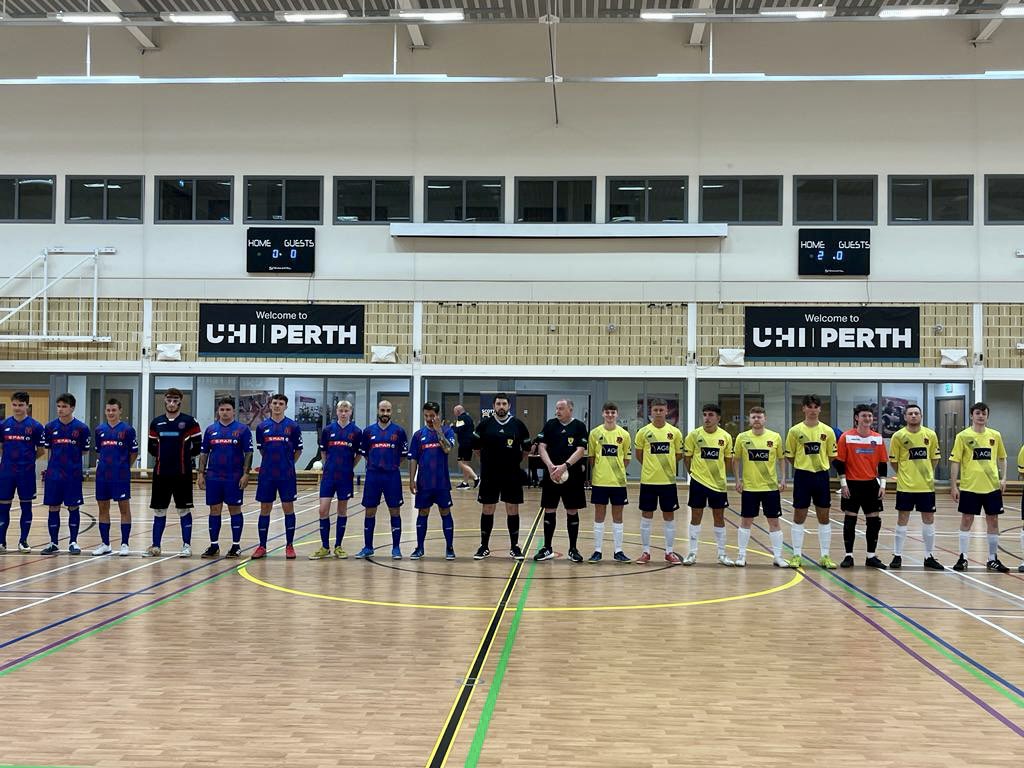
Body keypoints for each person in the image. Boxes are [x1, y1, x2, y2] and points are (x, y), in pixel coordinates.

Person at [949, 401, 1009, 573]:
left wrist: (1003, 478)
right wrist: (954, 485)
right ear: (971, 415)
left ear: (987, 416)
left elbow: (1002, 458)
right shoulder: (963, 436)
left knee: (993, 521)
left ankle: (992, 558)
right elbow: (955, 461)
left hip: (991, 487)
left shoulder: (995, 435)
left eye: (984, 413)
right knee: (967, 520)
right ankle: (963, 557)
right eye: (977, 413)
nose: (981, 416)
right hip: (969, 487)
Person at [472, 393, 531, 560]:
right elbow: (476, 448)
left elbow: (526, 449)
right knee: (488, 508)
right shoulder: (485, 425)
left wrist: (514, 461)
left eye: (504, 404)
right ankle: (484, 546)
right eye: (498, 404)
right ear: (493, 406)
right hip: (490, 474)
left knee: (512, 508)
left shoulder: (518, 425)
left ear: (509, 406)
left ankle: (515, 546)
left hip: (512, 474)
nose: (501, 407)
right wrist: (487, 460)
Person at [146, 387, 202, 557]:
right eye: (169, 400)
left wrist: (183, 458)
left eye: (175, 400)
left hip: (182, 474)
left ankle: (186, 546)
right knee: (159, 510)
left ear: (180, 401)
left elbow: (197, 447)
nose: (172, 403)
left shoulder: (190, 422)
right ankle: (156, 546)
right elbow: (152, 448)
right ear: (164, 400)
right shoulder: (156, 422)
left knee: (183, 510)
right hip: (161, 474)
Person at [784, 394, 838, 569]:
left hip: (821, 477)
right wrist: (803, 465)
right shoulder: (795, 431)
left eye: (816, 407)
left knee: (824, 516)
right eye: (809, 406)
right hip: (802, 476)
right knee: (799, 515)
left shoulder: (828, 431)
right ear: (803, 409)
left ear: (820, 409)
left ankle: (825, 556)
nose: (813, 410)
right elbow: (790, 456)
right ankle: (797, 555)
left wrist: (821, 467)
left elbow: (831, 456)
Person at [732, 406, 790, 568]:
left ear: (765, 419)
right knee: (746, 521)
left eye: (759, 417)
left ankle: (778, 557)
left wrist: (783, 479)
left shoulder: (775, 437)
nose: (756, 420)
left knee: (774, 522)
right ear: (749, 420)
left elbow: (781, 459)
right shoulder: (742, 438)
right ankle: (741, 555)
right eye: (753, 417)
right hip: (749, 488)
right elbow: (735, 460)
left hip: (770, 488)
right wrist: (737, 480)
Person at [889, 404, 944, 570]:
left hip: (926, 486)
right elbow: (894, 461)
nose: (913, 416)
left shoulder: (930, 435)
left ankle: (929, 556)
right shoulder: (898, 436)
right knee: (902, 519)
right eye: (910, 414)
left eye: (916, 413)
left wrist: (925, 473)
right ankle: (897, 556)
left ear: (921, 416)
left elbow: (934, 459)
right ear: (905, 417)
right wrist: (905, 474)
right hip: (906, 486)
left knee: (928, 519)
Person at [197, 397, 252, 559]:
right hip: (214, 476)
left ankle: (236, 545)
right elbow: (204, 453)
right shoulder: (210, 430)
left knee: (234, 509)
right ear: (218, 412)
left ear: (234, 411)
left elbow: (248, 453)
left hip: (234, 477)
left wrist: (246, 473)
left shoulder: (242, 430)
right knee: (214, 510)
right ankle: (214, 545)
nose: (225, 412)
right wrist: (201, 474)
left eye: (228, 409)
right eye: (222, 410)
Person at [836, 404, 889, 569]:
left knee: (873, 520)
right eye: (864, 416)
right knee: (850, 519)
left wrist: (883, 485)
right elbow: (840, 463)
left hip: (871, 485)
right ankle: (848, 556)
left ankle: (871, 556)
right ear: (856, 418)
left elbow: (882, 464)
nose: (867, 419)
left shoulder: (878, 438)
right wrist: (843, 484)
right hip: (852, 484)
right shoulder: (846, 437)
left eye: (870, 416)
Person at [535, 398, 588, 562]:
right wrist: (551, 466)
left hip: (572, 476)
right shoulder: (550, 425)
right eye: (557, 408)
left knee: (572, 510)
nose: (557, 411)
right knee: (549, 509)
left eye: (561, 408)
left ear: (570, 409)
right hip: (552, 475)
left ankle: (573, 549)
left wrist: (564, 466)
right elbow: (541, 447)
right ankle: (547, 548)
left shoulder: (579, 426)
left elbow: (581, 450)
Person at [309, 400, 362, 560]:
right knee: (323, 510)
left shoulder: (356, 432)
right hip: (329, 476)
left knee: (342, 510)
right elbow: (324, 452)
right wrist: (328, 466)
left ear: (351, 412)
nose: (344, 413)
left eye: (346, 410)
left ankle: (338, 546)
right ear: (337, 412)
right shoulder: (328, 430)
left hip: (345, 476)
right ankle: (325, 547)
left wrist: (349, 467)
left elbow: (358, 454)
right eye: (341, 410)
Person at [252, 393, 303, 559]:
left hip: (286, 474)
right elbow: (262, 449)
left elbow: (298, 450)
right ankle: (262, 546)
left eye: (281, 403)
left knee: (288, 508)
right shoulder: (262, 427)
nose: (277, 406)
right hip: (267, 474)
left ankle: (289, 545)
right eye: (275, 403)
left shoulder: (293, 427)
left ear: (285, 406)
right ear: (270, 405)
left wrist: (287, 463)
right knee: (265, 509)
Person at [683, 403, 734, 566]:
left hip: (718, 485)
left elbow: (727, 461)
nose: (707, 418)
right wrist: (694, 474)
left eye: (711, 415)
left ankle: (721, 554)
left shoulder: (725, 437)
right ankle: (692, 553)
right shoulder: (694, 435)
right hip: (698, 483)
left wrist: (719, 476)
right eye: (705, 414)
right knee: (696, 516)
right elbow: (687, 458)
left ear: (718, 418)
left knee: (719, 517)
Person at [355, 400, 408, 560]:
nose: (385, 413)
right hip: (373, 475)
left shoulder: (399, 431)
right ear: (378, 410)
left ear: (391, 412)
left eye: (388, 411)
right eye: (382, 410)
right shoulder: (368, 431)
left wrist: (391, 465)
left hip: (392, 476)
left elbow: (403, 455)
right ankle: (368, 547)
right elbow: (364, 453)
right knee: (370, 511)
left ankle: (396, 548)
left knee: (395, 510)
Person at [634, 398, 684, 565]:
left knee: (669, 516)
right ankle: (646, 551)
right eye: (655, 410)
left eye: (661, 410)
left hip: (668, 482)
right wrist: (651, 467)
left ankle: (669, 552)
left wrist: (666, 467)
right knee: (646, 516)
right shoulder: (643, 432)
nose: (658, 413)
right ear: (651, 411)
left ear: (667, 411)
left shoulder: (674, 432)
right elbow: (639, 455)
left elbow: (678, 454)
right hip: (648, 481)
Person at [40, 393, 91, 555]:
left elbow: (84, 451)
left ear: (72, 408)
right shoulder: (49, 427)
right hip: (54, 474)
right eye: (59, 406)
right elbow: (48, 449)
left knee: (73, 506)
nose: (60, 410)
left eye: (64, 406)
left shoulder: (82, 428)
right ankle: (53, 543)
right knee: (53, 507)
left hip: (72, 475)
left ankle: (73, 542)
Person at [409, 402, 456, 560]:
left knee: (445, 511)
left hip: (441, 482)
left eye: (432, 416)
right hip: (424, 482)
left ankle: (449, 548)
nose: (429, 419)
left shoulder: (448, 431)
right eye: (426, 416)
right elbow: (413, 458)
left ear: (438, 415)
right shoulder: (418, 435)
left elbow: (447, 449)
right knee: (423, 512)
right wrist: (412, 479)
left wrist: (438, 431)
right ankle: (420, 547)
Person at [92, 398, 139, 556]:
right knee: (103, 508)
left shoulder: (128, 430)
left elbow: (134, 453)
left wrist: (124, 467)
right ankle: (105, 544)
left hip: (120, 476)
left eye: (114, 410)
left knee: (124, 509)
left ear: (120, 411)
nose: (111, 413)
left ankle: (124, 543)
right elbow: (99, 451)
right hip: (103, 475)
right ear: (105, 411)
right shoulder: (100, 429)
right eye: (108, 410)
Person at [0, 391, 45, 554]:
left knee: (26, 507)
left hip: (26, 474)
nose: (17, 408)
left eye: (21, 405)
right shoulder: (3, 425)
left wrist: (26, 461)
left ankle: (23, 541)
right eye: (14, 405)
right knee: (3, 507)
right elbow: (1, 447)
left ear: (27, 406)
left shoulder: (36, 426)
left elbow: (40, 451)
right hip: (6, 473)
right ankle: (1, 542)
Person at [587, 401, 632, 563]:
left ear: (617, 414)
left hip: (618, 483)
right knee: (599, 515)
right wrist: (600, 470)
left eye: (613, 412)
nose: (610, 415)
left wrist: (617, 471)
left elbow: (626, 458)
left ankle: (618, 551)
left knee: (618, 516)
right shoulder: (594, 433)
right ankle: (597, 551)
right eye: (607, 412)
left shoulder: (624, 435)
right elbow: (592, 458)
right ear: (603, 414)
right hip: (600, 482)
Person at [452, 404, 479, 490]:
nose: (454, 414)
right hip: (469, 444)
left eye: (455, 412)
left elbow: (457, 430)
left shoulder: (461, 418)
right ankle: (465, 483)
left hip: (464, 444)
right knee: (466, 463)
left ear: (458, 411)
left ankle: (476, 478)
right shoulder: (469, 418)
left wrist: (452, 426)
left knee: (461, 463)